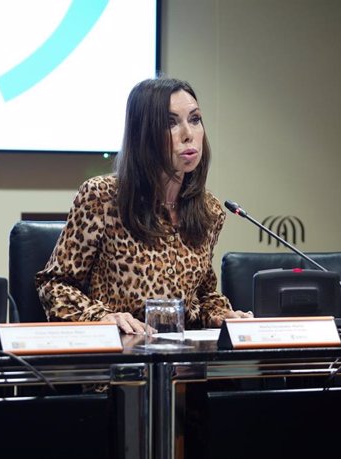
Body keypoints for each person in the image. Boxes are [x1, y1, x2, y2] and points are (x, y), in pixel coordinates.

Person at [36, 77, 252, 335]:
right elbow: (54, 285)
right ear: (143, 134)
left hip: (184, 363)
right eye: (170, 123)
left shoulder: (209, 210)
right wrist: (101, 318)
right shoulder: (102, 198)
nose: (188, 134)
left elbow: (202, 293)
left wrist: (220, 314)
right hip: (122, 361)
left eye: (194, 119)